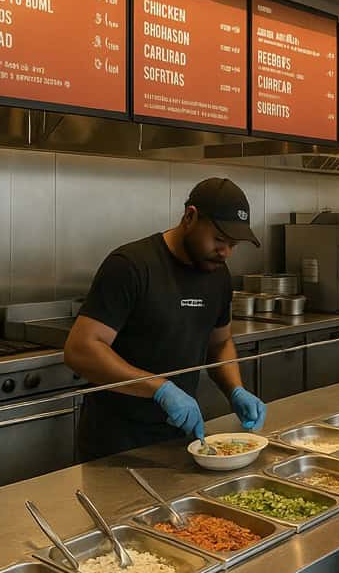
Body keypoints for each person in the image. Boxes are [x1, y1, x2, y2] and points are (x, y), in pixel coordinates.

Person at [65, 178, 268, 460]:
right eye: (220, 240)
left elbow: (219, 343)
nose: (226, 252)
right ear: (190, 217)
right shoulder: (131, 266)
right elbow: (80, 349)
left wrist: (236, 390)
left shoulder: (218, 275)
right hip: (115, 445)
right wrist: (160, 389)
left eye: (233, 244)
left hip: (181, 438)